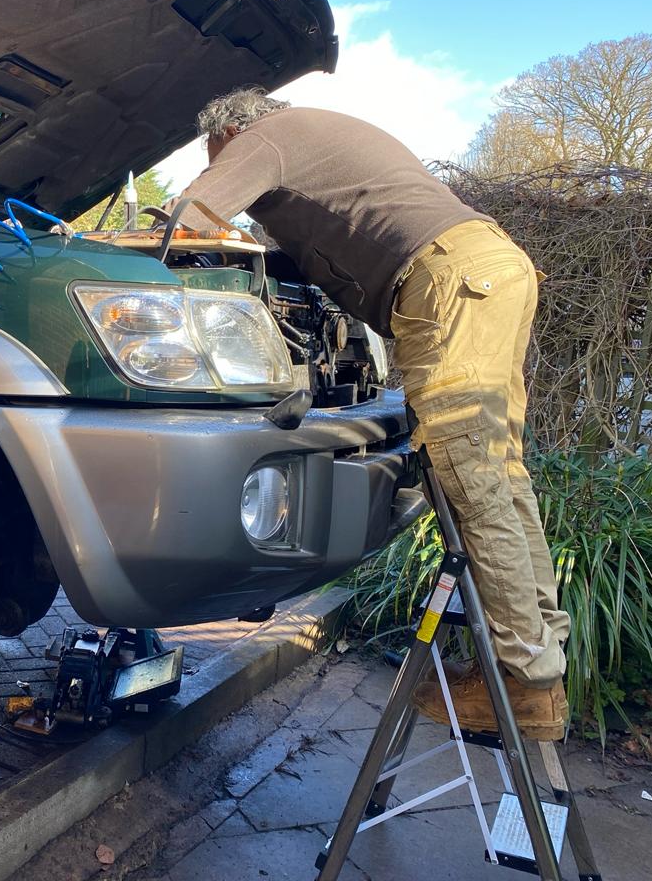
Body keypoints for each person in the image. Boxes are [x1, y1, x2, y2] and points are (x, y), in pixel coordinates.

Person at [171, 86, 569, 740]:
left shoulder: (266, 137)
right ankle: (540, 662)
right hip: (489, 270)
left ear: (229, 133)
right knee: (500, 472)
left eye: (222, 155)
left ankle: (523, 686)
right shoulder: (321, 141)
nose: (229, 164)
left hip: (449, 283)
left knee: (472, 474)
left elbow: (191, 214)